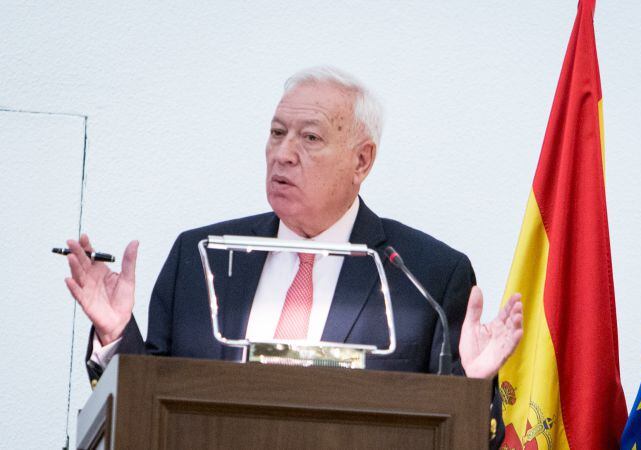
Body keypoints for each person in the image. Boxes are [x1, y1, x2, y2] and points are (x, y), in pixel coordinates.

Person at [64, 66, 523, 441]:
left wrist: (474, 390)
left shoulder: (426, 276)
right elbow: (150, 412)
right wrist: (115, 333)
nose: (283, 153)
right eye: (277, 132)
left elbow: (460, 436)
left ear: (362, 161)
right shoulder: (201, 258)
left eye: (310, 138)